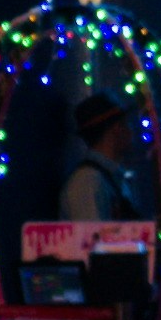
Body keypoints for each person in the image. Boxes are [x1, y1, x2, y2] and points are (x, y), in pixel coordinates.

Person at [58, 91, 149, 223]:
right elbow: (91, 240)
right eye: (126, 123)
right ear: (117, 129)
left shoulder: (109, 178)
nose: (131, 131)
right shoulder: (87, 182)